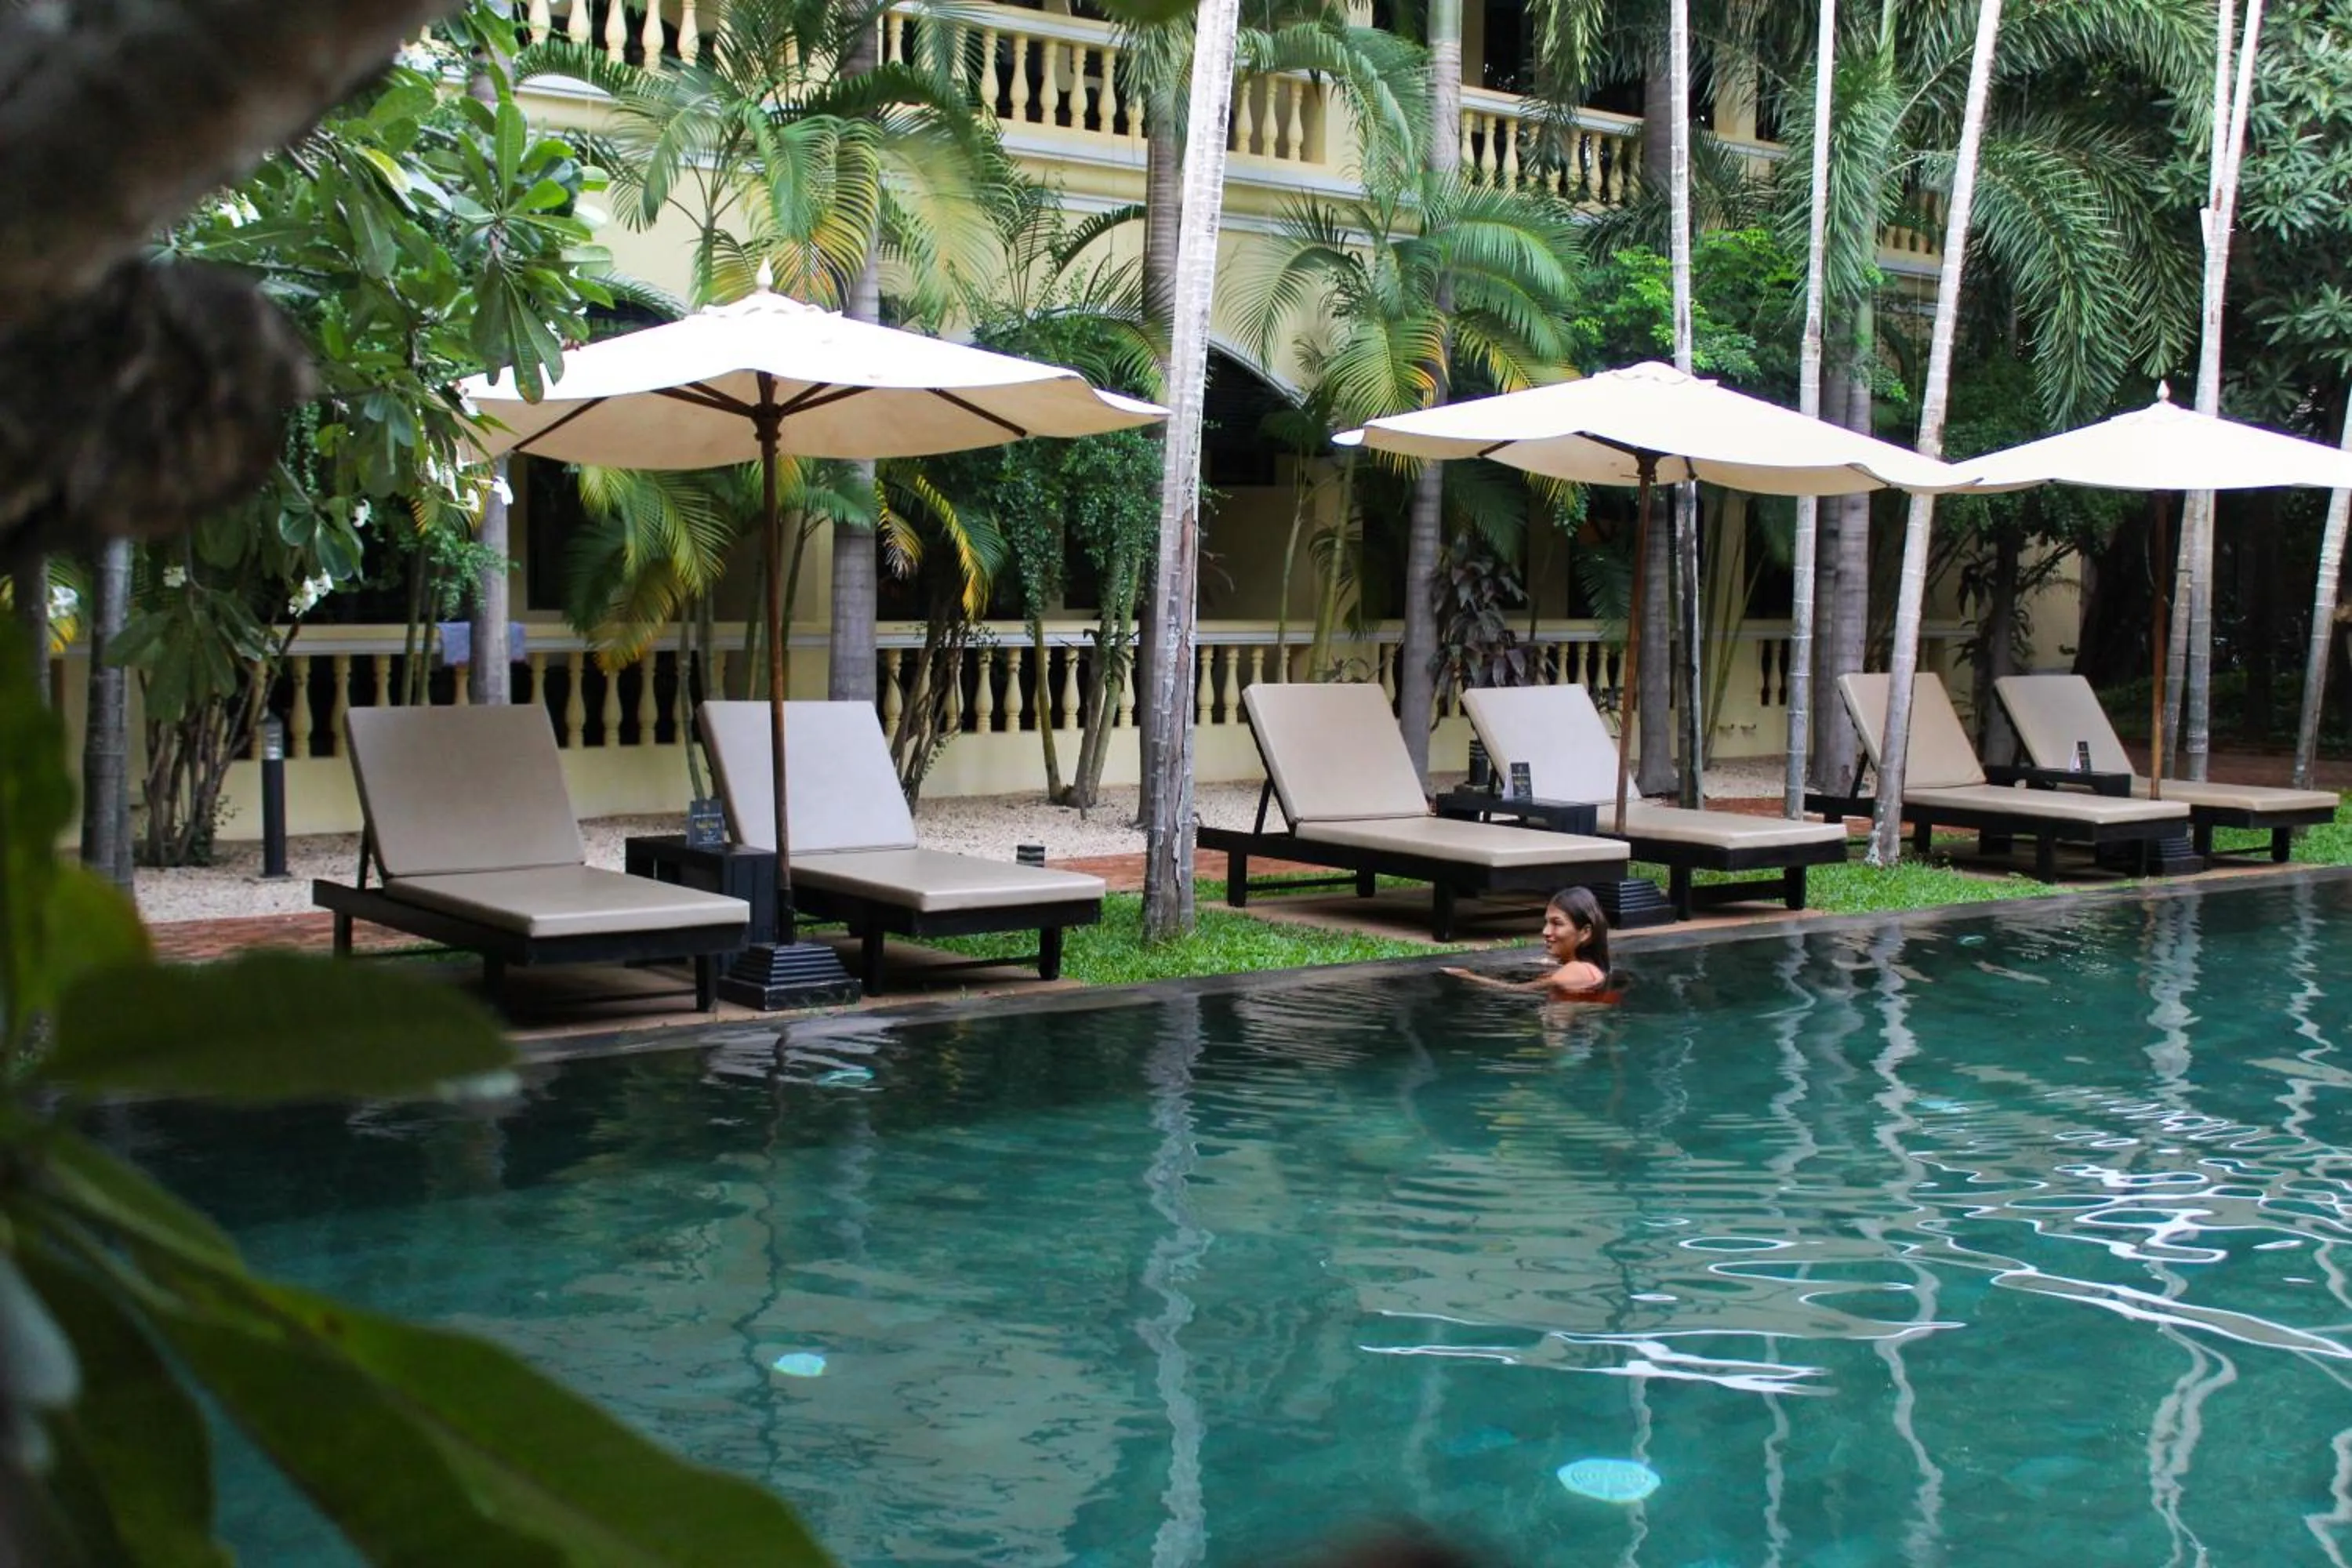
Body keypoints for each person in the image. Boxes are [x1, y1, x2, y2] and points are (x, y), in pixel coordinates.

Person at [1443, 887, 1615, 1000]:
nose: (1546, 932)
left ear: (1585, 932)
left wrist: (1467, 976)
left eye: (1557, 923)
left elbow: (1517, 991)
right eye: (1547, 922)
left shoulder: (1577, 969)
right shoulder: (1587, 968)